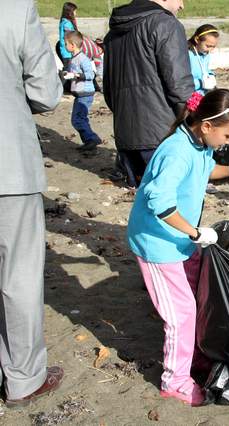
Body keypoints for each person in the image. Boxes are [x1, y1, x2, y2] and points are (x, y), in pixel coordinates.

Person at [127, 88, 229, 406]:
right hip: (158, 244)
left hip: (180, 240)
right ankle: (174, 380)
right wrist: (194, 233)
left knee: (197, 296)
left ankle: (193, 356)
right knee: (181, 313)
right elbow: (159, 201)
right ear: (206, 125)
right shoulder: (176, 150)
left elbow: (205, 172)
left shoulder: (200, 143)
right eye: (228, 136)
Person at [0, 0, 64, 408]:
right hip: (8, 163)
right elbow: (46, 92)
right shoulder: (15, 8)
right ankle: (23, 378)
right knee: (18, 277)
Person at [103, 0, 194, 188]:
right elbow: (179, 86)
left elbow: (109, 89)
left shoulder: (113, 33)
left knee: (145, 201)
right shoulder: (166, 24)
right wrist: (194, 122)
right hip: (162, 132)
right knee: (172, 200)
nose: (182, 5)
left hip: (125, 133)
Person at [63, 31, 102, 152]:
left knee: (78, 119)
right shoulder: (73, 59)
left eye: (66, 44)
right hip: (80, 94)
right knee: (79, 118)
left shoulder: (83, 58)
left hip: (85, 93)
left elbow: (90, 74)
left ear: (73, 45)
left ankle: (91, 139)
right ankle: (89, 141)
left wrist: (76, 75)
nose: (64, 46)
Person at [188, 24, 219, 95]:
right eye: (208, 46)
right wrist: (201, 83)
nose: (210, 50)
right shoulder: (187, 55)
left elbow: (205, 69)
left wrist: (211, 75)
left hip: (204, 93)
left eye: (213, 47)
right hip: (192, 97)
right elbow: (182, 83)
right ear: (197, 40)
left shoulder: (205, 53)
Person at [58, 2, 78, 70]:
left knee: (68, 71)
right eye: (75, 11)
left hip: (66, 52)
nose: (76, 13)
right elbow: (69, 39)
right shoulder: (67, 24)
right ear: (70, 12)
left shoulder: (64, 21)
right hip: (68, 53)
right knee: (69, 73)